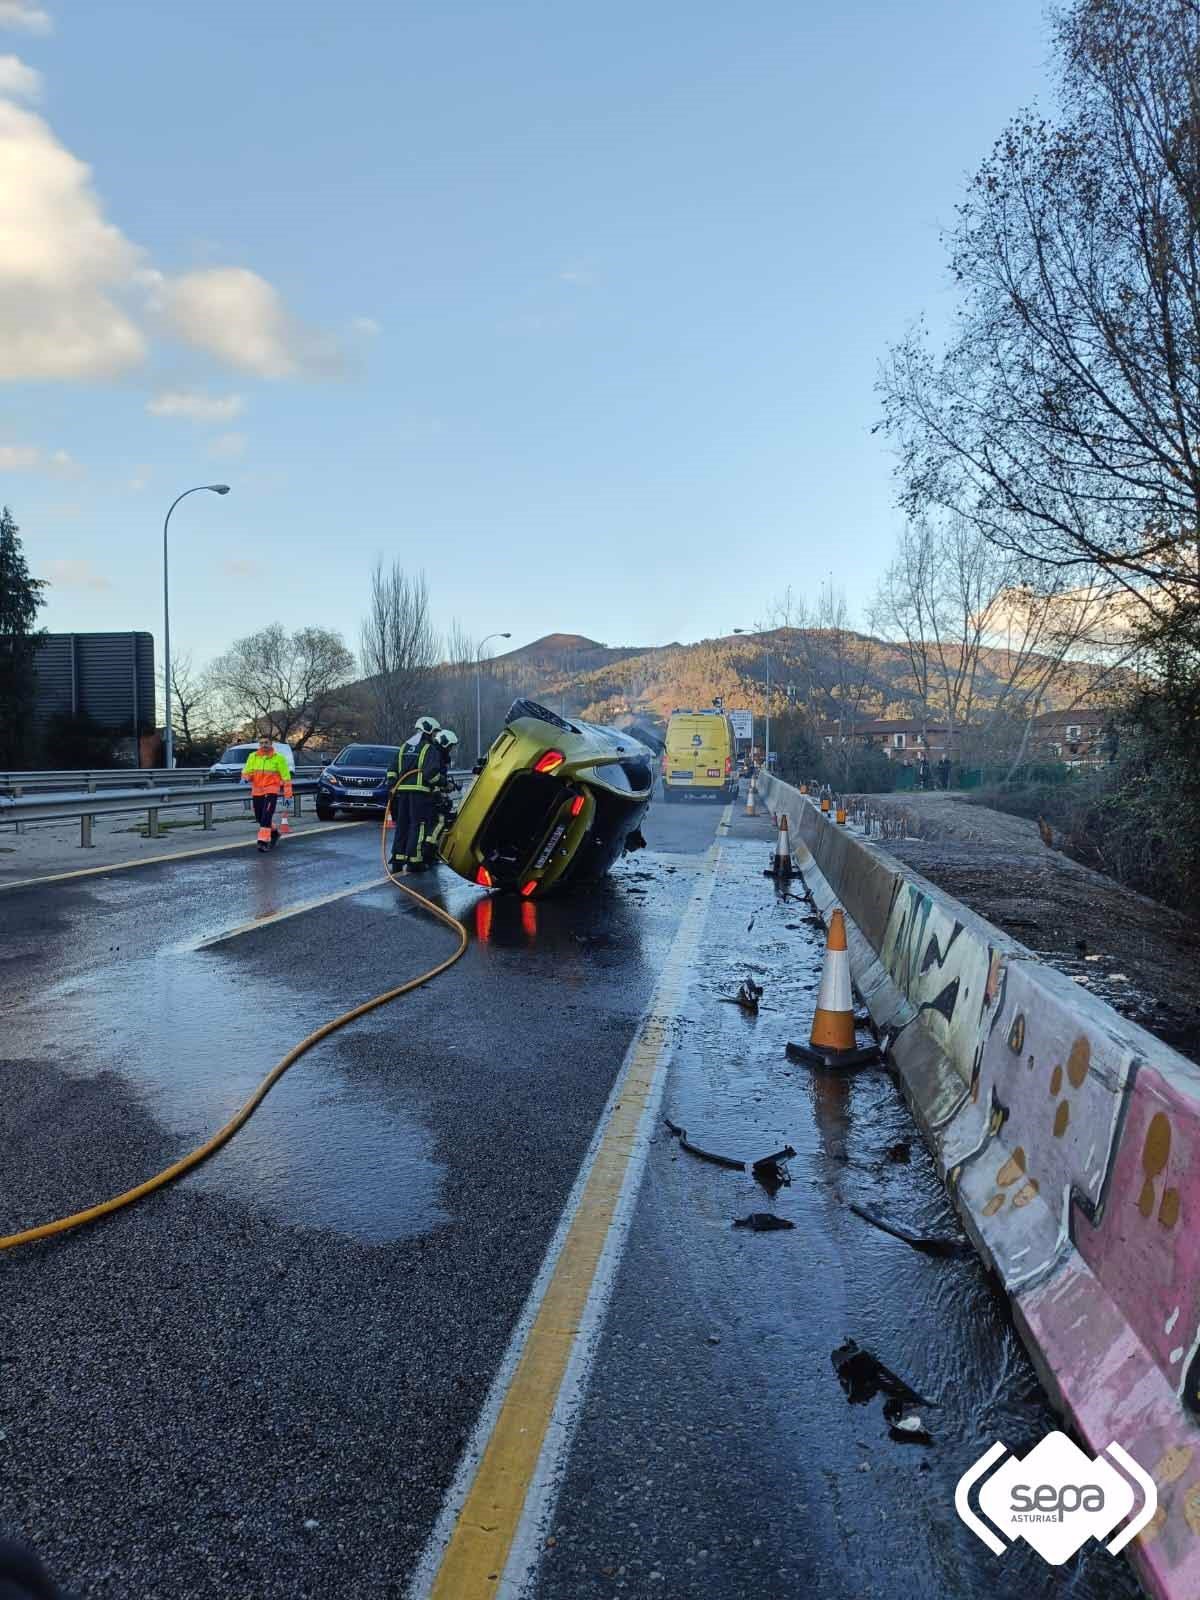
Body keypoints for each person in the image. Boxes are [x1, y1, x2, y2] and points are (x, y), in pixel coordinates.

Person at [387, 716, 440, 873]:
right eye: (434, 733)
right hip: (420, 793)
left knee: (402, 825)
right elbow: (431, 774)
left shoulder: (404, 747)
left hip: (401, 793)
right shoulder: (429, 749)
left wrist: (391, 787)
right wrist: (442, 782)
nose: (435, 736)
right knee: (418, 825)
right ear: (429, 730)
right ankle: (414, 861)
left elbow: (392, 769)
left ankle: (397, 858)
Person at [241, 735, 293, 851]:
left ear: (271, 744)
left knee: (266, 816)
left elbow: (286, 778)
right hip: (257, 791)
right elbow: (247, 772)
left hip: (271, 791)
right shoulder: (253, 756)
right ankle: (274, 832)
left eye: (266, 743)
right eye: (261, 743)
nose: (264, 745)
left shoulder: (279, 758)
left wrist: (288, 795)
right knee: (260, 818)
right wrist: (245, 778)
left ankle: (262, 841)